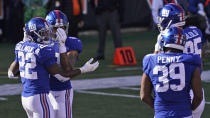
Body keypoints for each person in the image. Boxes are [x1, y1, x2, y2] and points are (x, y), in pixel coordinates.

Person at [8, 17, 99, 118]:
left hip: (25, 97)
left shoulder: (20, 46)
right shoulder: (43, 50)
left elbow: (11, 74)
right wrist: (83, 69)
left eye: (47, 32)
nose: (47, 35)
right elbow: (62, 77)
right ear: (33, 34)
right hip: (40, 97)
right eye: (43, 33)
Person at [154, 3, 206, 118]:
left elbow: (155, 63)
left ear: (171, 20)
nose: (161, 22)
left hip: (178, 95)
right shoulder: (196, 31)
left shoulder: (165, 36)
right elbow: (201, 58)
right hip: (198, 91)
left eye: (164, 19)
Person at [141, 27, 203, 118]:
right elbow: (198, 96)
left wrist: (160, 109)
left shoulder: (150, 60)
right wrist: (189, 109)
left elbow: (144, 96)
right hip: (184, 114)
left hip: (161, 115)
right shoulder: (191, 60)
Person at [45, 10, 83, 118]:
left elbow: (69, 68)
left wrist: (61, 45)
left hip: (62, 91)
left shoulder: (72, 42)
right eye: (56, 28)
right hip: (43, 91)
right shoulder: (41, 44)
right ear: (48, 28)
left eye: (62, 27)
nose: (59, 31)